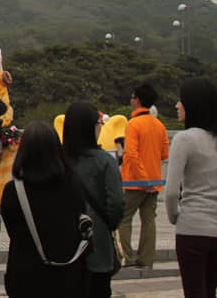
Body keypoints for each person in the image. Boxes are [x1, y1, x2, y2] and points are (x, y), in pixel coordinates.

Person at [0, 122, 90, 297]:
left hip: (25, 275)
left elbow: (12, 230)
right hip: (67, 273)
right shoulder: (73, 185)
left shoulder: (14, 190)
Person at [64, 101, 124, 298]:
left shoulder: (58, 161)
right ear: (90, 128)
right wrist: (109, 225)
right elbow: (115, 203)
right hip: (98, 245)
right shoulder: (106, 162)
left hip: (63, 250)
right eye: (99, 124)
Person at [164, 78, 217, 298]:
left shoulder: (184, 139)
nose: (177, 105)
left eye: (181, 100)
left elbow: (172, 192)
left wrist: (175, 216)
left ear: (194, 104)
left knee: (195, 292)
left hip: (192, 229)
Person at [118, 82, 169, 269]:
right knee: (149, 220)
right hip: (155, 181)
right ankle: (146, 260)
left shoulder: (133, 124)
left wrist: (142, 177)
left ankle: (128, 257)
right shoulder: (159, 125)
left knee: (124, 218)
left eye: (132, 97)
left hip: (135, 181)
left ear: (137, 100)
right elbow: (164, 154)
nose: (131, 100)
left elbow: (130, 153)